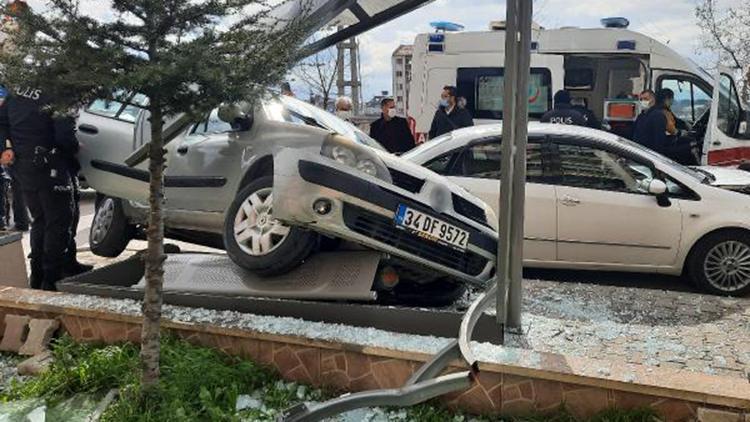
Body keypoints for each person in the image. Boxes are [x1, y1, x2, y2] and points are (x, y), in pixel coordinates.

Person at [0, 85, 79, 291]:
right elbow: (65, 138)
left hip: (24, 167)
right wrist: (74, 149)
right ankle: (51, 282)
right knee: (58, 224)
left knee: (40, 221)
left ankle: (37, 278)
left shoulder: (18, 91)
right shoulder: (60, 94)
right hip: (50, 166)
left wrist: (7, 148)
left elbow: (3, 121)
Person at [633, 88, 675, 155]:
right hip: (642, 152)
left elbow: (659, 141)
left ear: (653, 100)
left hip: (650, 153)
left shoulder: (657, 115)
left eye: (646, 99)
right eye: (641, 99)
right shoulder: (641, 116)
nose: (643, 101)